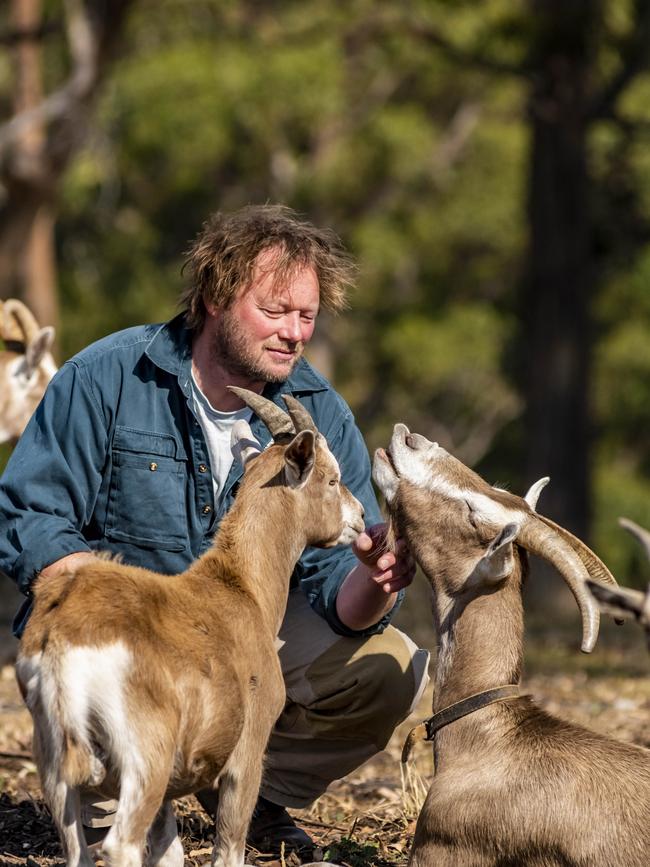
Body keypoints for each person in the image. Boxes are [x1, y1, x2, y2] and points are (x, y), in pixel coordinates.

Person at [0, 204, 429, 859]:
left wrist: (374, 578)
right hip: (125, 641)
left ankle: (244, 788)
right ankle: (148, 768)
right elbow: (31, 514)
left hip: (239, 636)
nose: (295, 333)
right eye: (276, 309)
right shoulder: (107, 376)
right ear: (214, 297)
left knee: (391, 669)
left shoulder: (316, 415)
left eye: (307, 315)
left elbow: (333, 592)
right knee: (135, 851)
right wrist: (100, 597)